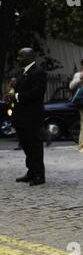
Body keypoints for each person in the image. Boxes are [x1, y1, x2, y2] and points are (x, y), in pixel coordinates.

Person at [6, 48, 47, 186]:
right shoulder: (23, 73)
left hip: (32, 118)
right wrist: (13, 88)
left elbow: (36, 93)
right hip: (21, 118)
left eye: (20, 56)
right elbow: (21, 90)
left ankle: (39, 175)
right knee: (26, 146)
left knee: (34, 146)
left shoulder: (38, 72)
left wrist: (16, 96)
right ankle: (31, 172)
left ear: (29, 57)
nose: (18, 58)